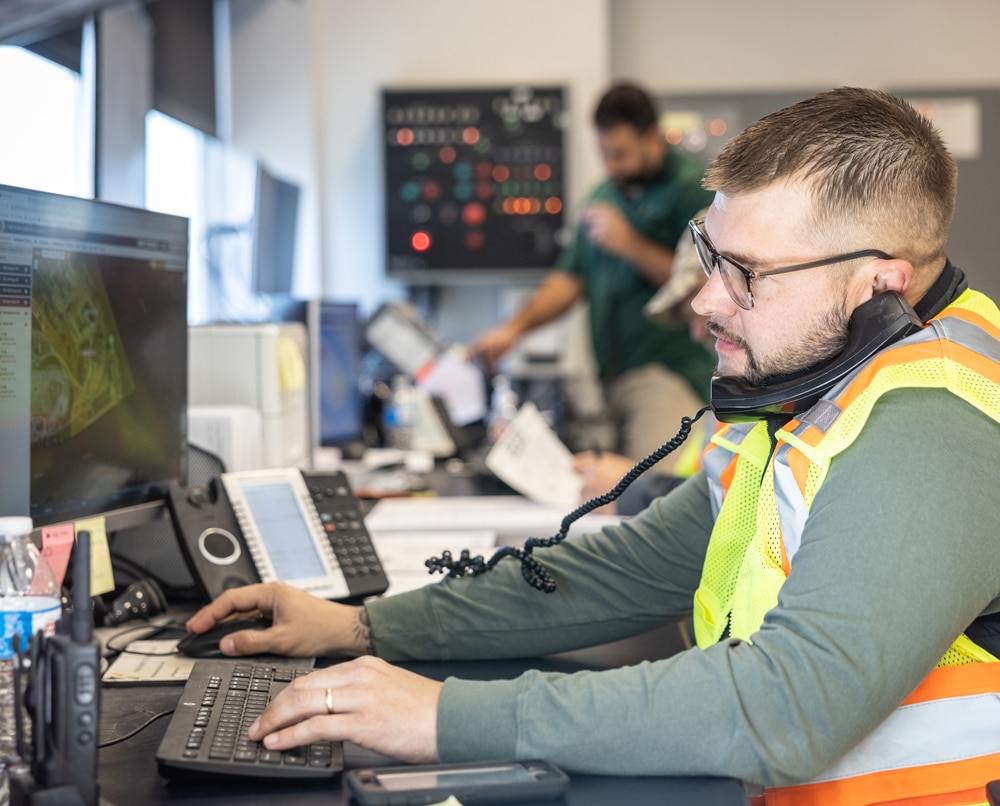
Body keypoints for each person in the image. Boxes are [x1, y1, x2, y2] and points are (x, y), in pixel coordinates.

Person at [187, 88, 1000, 804]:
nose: (707, 301)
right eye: (711, 255)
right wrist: (363, 628)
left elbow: (784, 708)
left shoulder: (931, 424)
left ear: (879, 283)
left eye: (748, 273)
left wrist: (442, 717)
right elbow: (622, 569)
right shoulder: (821, 391)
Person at [469, 82, 716, 467]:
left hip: (667, 375)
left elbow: (705, 285)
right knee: (614, 496)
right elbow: (568, 281)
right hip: (609, 383)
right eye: (605, 154)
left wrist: (628, 243)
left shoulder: (694, 189)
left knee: (653, 496)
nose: (612, 166)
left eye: (621, 154)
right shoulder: (603, 196)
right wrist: (512, 330)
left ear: (652, 138)